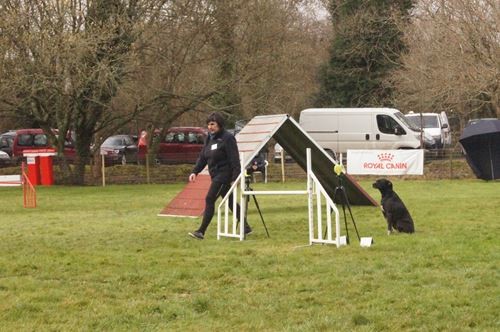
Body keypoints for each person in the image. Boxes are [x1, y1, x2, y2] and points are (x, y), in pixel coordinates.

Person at [188, 112, 252, 240]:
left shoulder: (227, 138)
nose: (210, 127)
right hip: (215, 174)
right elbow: (203, 157)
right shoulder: (209, 138)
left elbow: (234, 158)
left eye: (213, 124)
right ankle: (245, 226)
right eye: (208, 124)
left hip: (224, 174)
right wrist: (195, 171)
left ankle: (201, 231)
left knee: (210, 199)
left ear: (219, 125)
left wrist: (235, 177)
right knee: (230, 201)